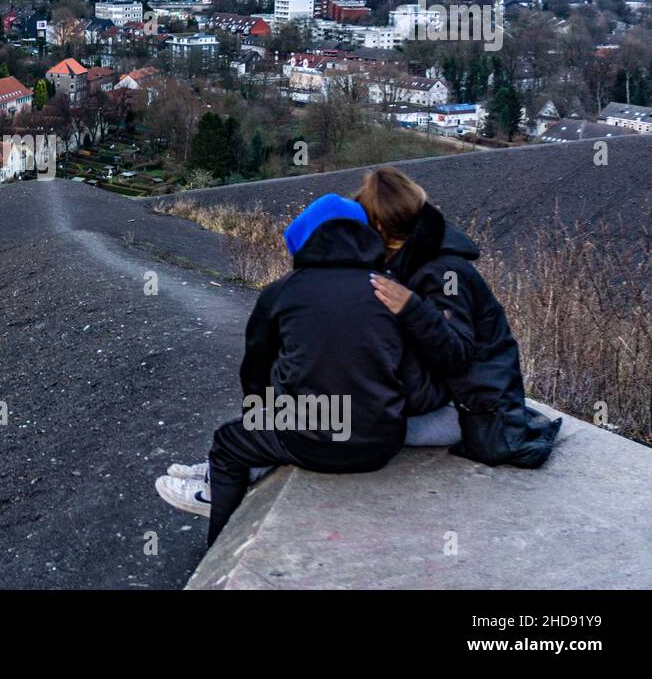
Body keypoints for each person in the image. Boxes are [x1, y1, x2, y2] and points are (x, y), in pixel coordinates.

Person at [155, 194, 417, 546]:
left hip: (312, 439)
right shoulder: (393, 291)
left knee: (228, 442)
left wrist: (271, 412)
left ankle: (219, 541)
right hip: (383, 441)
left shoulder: (283, 292)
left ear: (304, 240)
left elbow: (254, 375)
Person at [359, 167, 560, 467]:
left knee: (352, 426)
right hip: (458, 400)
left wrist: (412, 308)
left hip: (468, 413)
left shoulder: (444, 272)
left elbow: (458, 353)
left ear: (378, 225)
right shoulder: (418, 258)